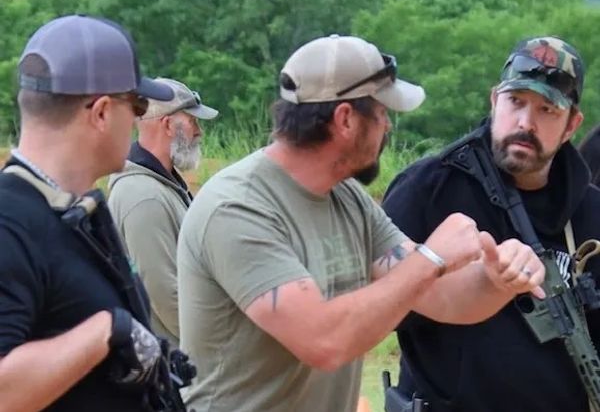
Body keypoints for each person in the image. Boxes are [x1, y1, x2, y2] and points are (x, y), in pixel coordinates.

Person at [177, 34, 545, 412]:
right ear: (346, 119)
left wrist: (499, 279)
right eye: (382, 113)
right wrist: (432, 258)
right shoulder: (237, 208)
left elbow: (444, 299)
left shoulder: (346, 197)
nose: (388, 127)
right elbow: (323, 341)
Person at [382, 36, 600, 412]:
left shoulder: (591, 212)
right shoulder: (428, 189)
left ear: (571, 125)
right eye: (516, 102)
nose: (526, 123)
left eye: (547, 110)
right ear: (495, 99)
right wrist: (451, 271)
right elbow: (376, 305)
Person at [0, 14, 181, 411]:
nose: (137, 120)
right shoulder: (10, 220)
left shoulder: (72, 210)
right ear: (101, 112)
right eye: (137, 105)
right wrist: (107, 331)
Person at [108, 77, 218, 346]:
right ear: (168, 125)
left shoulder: (160, 184)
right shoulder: (143, 197)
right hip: (174, 358)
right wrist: (221, 346)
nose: (199, 131)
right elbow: (166, 297)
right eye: (192, 121)